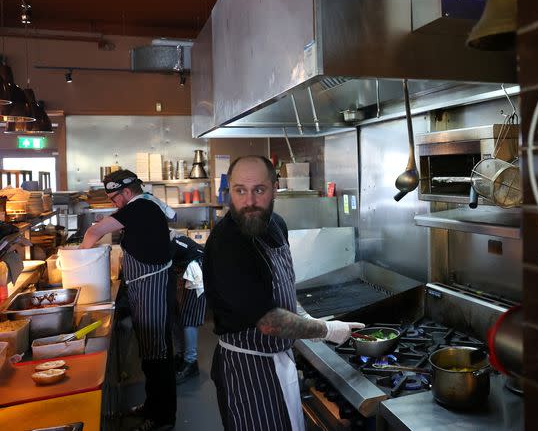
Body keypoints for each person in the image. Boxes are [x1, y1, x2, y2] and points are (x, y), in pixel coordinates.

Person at [203, 155, 364, 431]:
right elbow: (269, 322)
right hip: (247, 370)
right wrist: (326, 330)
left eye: (259, 190)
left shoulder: (276, 224)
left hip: (279, 360)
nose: (250, 201)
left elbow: (284, 284)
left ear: (275, 188)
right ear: (229, 191)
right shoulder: (227, 245)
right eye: (240, 190)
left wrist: (302, 313)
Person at [80, 169, 176, 431]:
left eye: (114, 198)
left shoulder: (139, 207)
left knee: (157, 354)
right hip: (146, 287)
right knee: (150, 352)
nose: (115, 203)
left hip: (152, 287)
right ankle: (153, 405)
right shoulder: (143, 204)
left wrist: (77, 260)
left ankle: (162, 418)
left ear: (126, 191)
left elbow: (94, 232)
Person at [169, 231, 206, 384]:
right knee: (177, 315)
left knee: (188, 317)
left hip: (195, 270)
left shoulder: (167, 241)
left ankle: (191, 362)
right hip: (181, 271)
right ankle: (180, 356)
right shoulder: (160, 237)